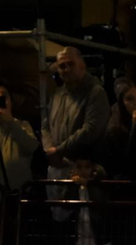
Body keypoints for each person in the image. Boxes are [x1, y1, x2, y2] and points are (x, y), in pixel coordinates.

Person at [43, 48, 110, 183]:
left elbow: (90, 130)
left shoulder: (95, 93)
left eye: (70, 64)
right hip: (58, 166)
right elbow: (46, 125)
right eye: (62, 66)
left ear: (82, 65)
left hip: (85, 172)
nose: (66, 69)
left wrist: (58, 150)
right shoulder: (57, 94)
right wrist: (50, 150)